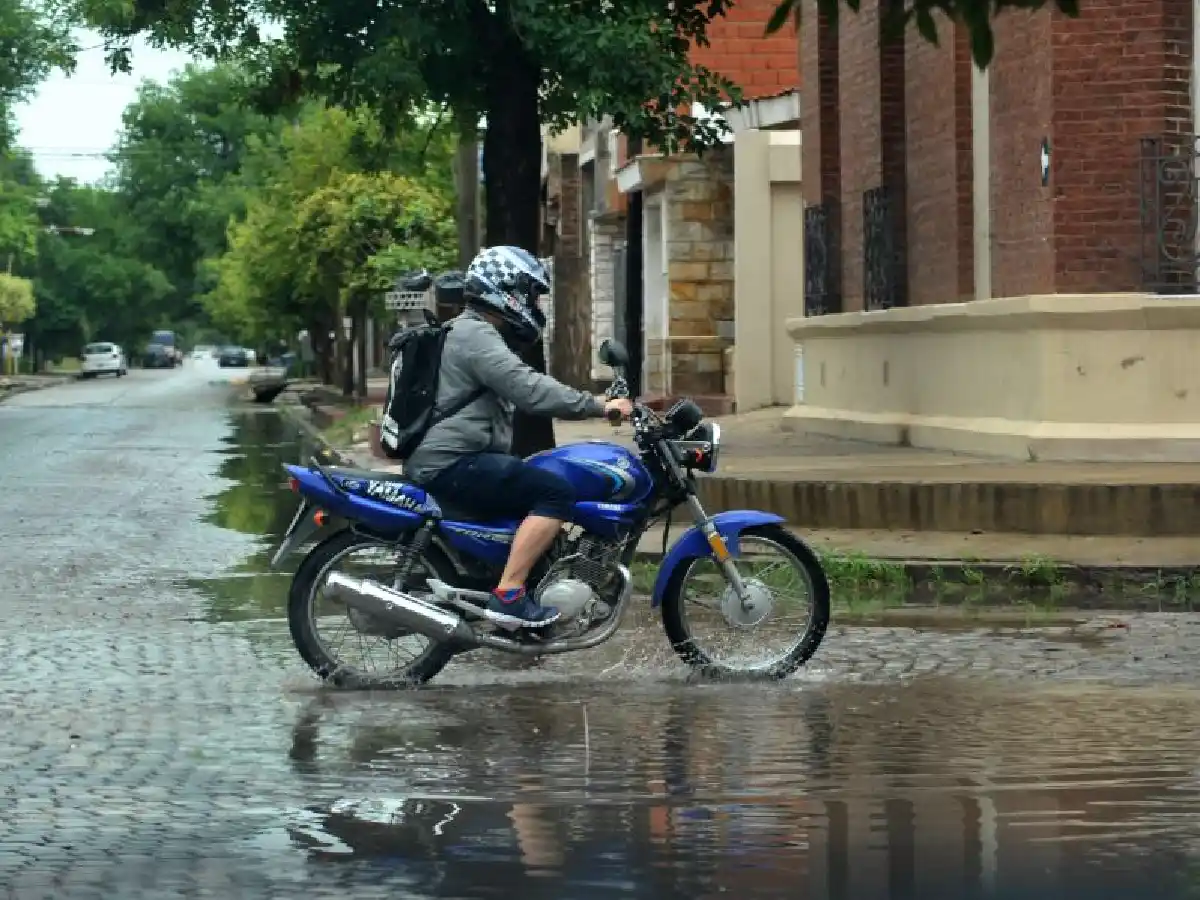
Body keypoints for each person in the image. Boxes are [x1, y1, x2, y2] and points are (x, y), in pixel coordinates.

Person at [405, 245, 632, 629]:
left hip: (454, 458)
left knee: (531, 482)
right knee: (555, 493)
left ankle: (524, 584)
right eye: (531, 294)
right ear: (505, 290)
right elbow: (528, 389)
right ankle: (509, 594)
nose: (535, 304)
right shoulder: (475, 334)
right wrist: (597, 405)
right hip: (453, 462)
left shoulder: (473, 331)